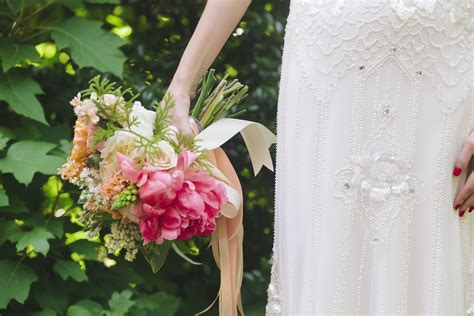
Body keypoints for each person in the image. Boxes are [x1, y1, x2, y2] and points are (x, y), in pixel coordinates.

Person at [167, 0, 474, 314]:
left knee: (433, 256)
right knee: (329, 251)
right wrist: (181, 84)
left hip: (444, 66)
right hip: (329, 64)